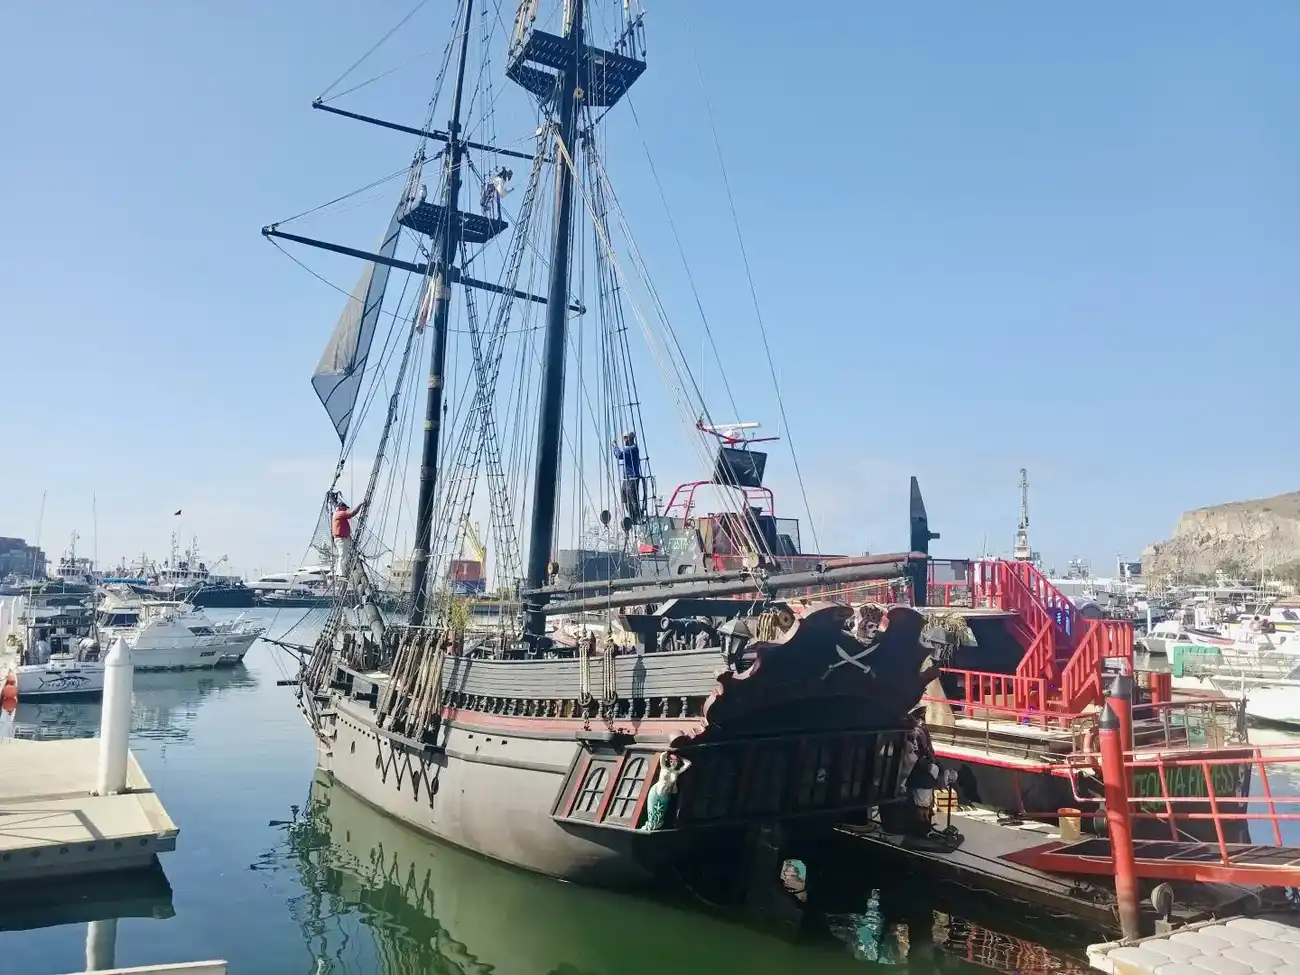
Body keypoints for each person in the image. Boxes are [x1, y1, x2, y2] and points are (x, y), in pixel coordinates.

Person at [612, 430, 643, 524]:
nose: (624, 440)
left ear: (630, 438)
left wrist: (614, 446)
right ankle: (632, 517)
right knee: (625, 500)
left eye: (626, 438)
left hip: (632, 478)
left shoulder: (632, 449)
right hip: (626, 479)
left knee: (633, 500)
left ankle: (637, 517)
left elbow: (620, 455)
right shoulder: (629, 449)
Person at [331, 498, 366, 580]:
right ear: (340, 507)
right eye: (345, 508)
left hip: (343, 539)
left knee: (344, 556)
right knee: (343, 555)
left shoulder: (339, 515)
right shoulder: (339, 513)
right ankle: (340, 575)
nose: (346, 510)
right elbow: (352, 513)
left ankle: (342, 573)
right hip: (341, 539)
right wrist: (360, 504)